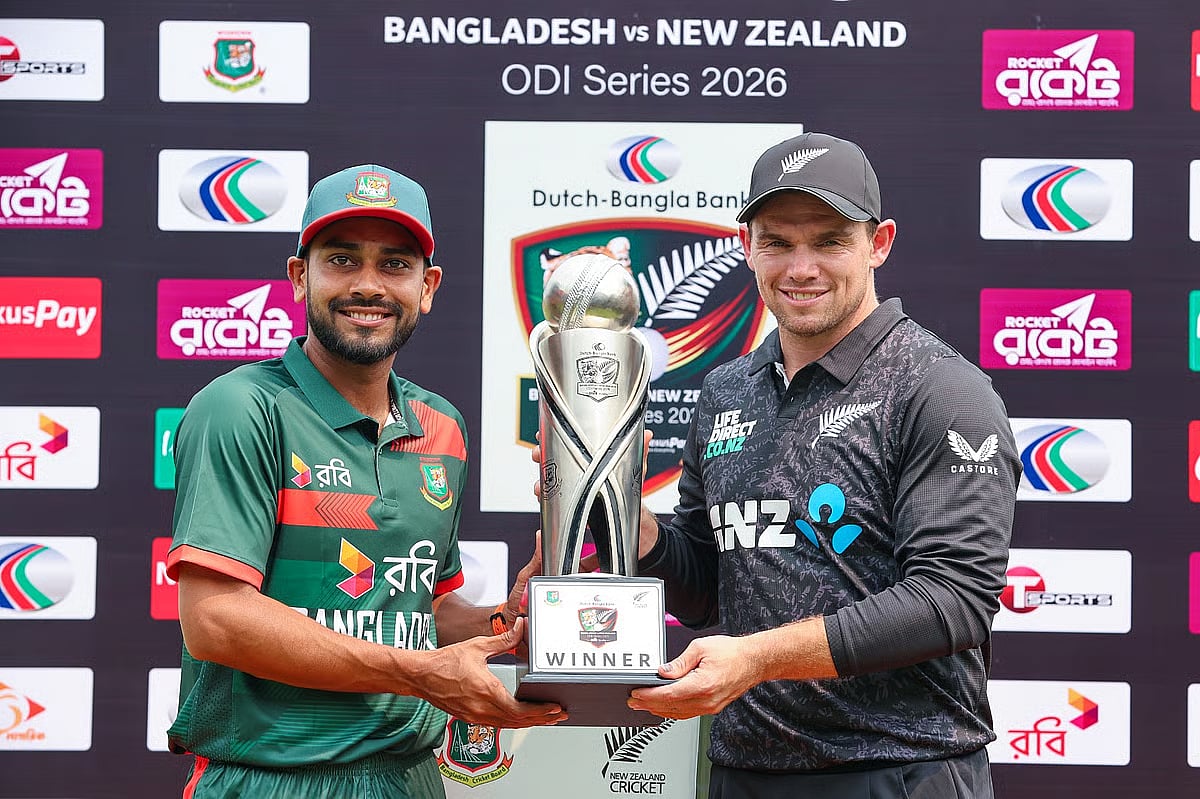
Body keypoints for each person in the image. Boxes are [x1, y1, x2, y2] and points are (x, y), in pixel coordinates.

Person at [618, 132, 1020, 797]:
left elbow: (953, 601)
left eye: (829, 241)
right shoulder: (726, 391)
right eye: (778, 242)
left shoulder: (938, 387)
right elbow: (706, 592)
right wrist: (623, 516)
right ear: (746, 245)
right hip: (746, 769)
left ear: (878, 243)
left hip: (899, 769)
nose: (800, 268)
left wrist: (754, 659)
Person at [166, 164, 565, 799]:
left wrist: (505, 619)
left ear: (427, 287)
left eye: (395, 265)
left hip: (408, 778)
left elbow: (422, 612)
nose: (368, 285)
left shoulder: (442, 426)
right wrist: (422, 675)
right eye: (342, 260)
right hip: (271, 778)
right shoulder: (242, 407)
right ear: (300, 277)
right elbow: (216, 619)